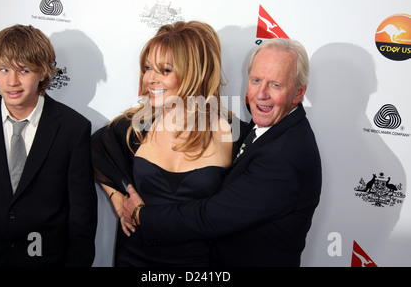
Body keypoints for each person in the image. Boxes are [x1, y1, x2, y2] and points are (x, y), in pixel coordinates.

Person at [122, 38, 322, 267]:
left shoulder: (284, 157)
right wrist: (117, 195)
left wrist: (140, 215)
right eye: (256, 80)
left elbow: (211, 217)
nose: (261, 94)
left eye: (275, 85)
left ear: (298, 93)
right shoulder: (266, 129)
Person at [91, 21, 237, 266]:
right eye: (148, 68)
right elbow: (95, 149)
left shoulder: (231, 131)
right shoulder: (136, 126)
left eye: (165, 70)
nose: (150, 79)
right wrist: (118, 200)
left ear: (194, 72)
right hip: (134, 259)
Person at [0, 24, 97, 267]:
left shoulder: (72, 129)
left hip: (45, 259)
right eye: (3, 69)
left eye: (23, 70)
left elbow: (82, 215)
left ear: (43, 72)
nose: (12, 81)